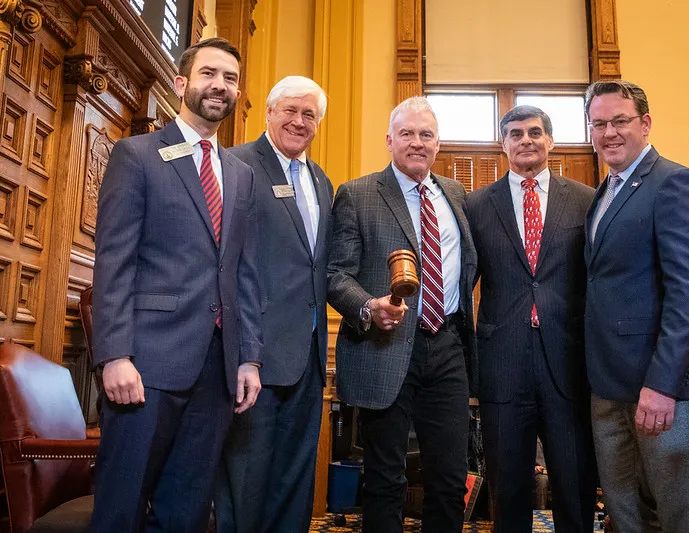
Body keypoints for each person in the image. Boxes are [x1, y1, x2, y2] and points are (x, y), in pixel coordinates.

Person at [90, 37, 262, 533]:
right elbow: (114, 261)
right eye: (209, 74)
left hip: (217, 369)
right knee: (121, 507)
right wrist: (114, 354)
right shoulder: (136, 155)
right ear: (182, 83)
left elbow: (243, 271)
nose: (220, 86)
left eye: (230, 79)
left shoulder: (241, 174)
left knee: (186, 512)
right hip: (146, 364)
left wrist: (249, 355)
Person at [327, 96, 477, 533]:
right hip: (385, 345)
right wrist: (368, 307)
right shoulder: (357, 194)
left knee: (451, 478)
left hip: (447, 345)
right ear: (389, 140)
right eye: (407, 134)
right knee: (384, 479)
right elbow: (336, 274)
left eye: (426, 134)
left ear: (438, 143)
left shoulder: (456, 195)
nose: (417, 142)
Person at [584, 79, 689, 533]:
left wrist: (662, 385)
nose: (609, 133)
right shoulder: (603, 192)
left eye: (619, 121)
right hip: (608, 383)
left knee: (680, 511)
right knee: (624, 510)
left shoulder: (675, 182)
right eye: (598, 124)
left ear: (645, 123)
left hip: (662, 386)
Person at [465, 105, 597, 533]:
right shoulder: (477, 205)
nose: (526, 140)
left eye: (535, 132)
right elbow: (462, 281)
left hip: (568, 364)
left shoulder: (585, 199)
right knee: (508, 489)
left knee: (575, 484)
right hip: (503, 364)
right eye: (516, 133)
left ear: (551, 141)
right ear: (503, 144)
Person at [214, 76, 333, 533]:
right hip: (253, 359)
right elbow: (227, 267)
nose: (299, 122)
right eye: (290, 110)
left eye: (309, 115)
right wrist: (247, 353)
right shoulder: (237, 165)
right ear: (268, 112)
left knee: (294, 485)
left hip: (308, 358)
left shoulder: (321, 180)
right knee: (246, 485)